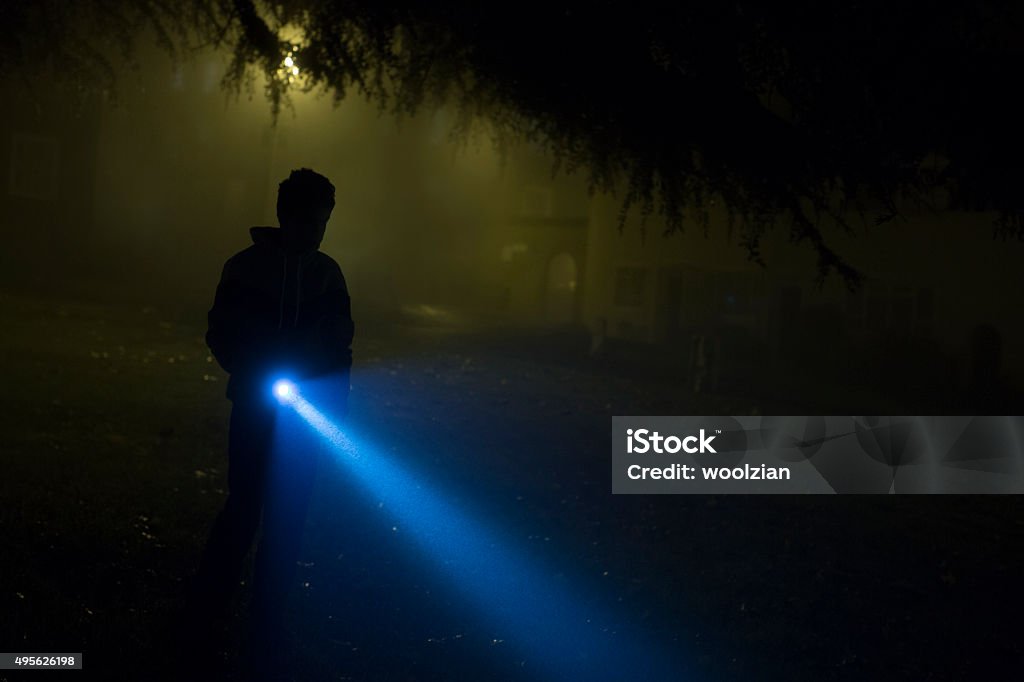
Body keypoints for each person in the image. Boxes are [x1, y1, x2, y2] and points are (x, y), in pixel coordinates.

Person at [184, 168, 354, 668]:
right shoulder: (244, 268)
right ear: (284, 217)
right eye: (307, 222)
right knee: (244, 508)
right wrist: (249, 368)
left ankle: (266, 616)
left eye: (322, 224)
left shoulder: (328, 275)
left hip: (303, 419)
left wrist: (332, 406)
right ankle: (210, 609)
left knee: (288, 516)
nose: (314, 234)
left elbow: (339, 343)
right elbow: (222, 332)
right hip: (256, 408)